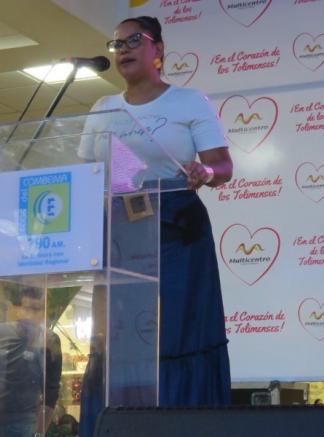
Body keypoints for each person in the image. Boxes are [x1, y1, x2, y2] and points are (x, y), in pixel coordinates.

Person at [79, 15, 233, 437]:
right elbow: (86, 172)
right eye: (117, 44)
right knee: (121, 337)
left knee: (176, 333)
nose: (123, 49)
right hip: (120, 230)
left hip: (177, 228)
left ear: (158, 49)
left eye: (134, 40)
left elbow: (223, 166)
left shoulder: (189, 101)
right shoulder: (102, 108)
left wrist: (205, 171)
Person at [0, 286, 63, 437]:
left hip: (25, 422)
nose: (29, 315)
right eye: (26, 308)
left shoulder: (50, 340)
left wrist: (39, 431)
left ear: (44, 312)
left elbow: (51, 390)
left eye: (36, 309)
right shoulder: (1, 332)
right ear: (18, 309)